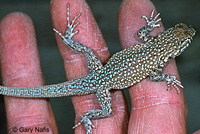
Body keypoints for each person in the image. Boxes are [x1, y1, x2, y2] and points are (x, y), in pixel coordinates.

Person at [0, 0, 199, 133]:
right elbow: (155, 76)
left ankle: (68, 39)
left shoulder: (152, 42)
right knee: (107, 112)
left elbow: (141, 34)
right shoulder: (161, 60)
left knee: (88, 52)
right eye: (184, 35)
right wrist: (168, 78)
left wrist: (150, 25)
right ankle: (87, 117)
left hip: (101, 74)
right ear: (177, 48)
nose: (187, 33)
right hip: (101, 81)